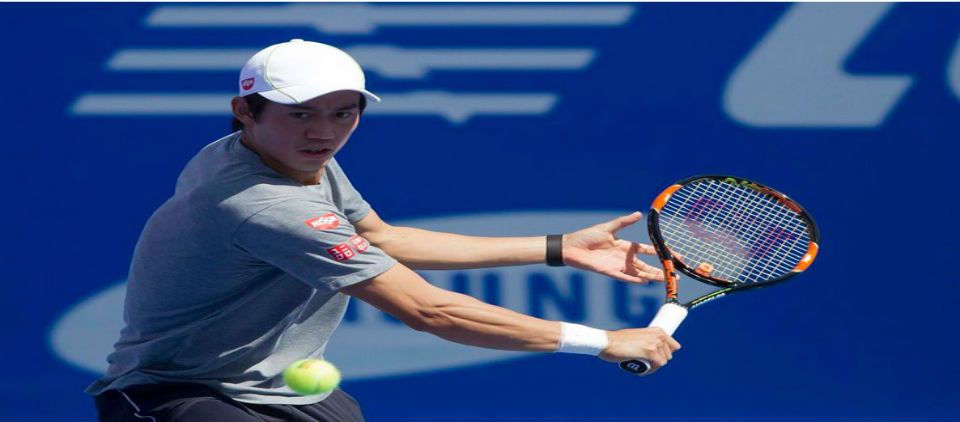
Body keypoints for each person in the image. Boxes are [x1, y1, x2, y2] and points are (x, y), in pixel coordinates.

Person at [87, 39, 681, 422]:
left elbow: (383, 238)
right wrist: (602, 341)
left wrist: (556, 248)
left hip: (277, 391)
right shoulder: (263, 202)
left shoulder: (276, 156)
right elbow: (432, 313)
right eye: (301, 113)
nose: (325, 131)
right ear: (246, 110)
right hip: (178, 395)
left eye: (343, 112)